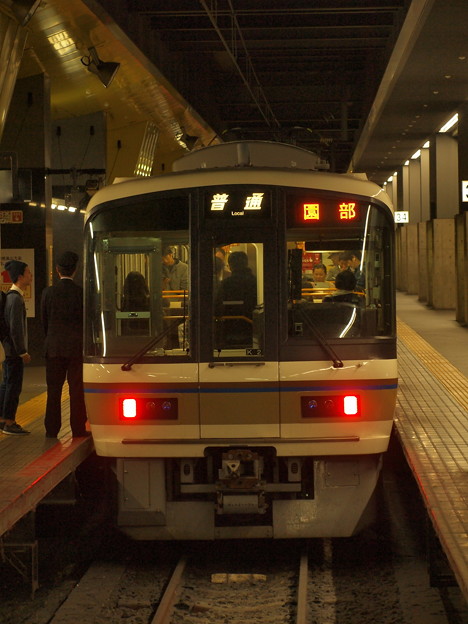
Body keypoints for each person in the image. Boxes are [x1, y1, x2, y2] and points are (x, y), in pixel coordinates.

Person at [41, 251, 89, 439]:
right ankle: (78, 428)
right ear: (75, 270)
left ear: (57, 270)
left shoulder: (48, 293)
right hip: (76, 349)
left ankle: (51, 429)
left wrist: (51, 338)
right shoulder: (80, 293)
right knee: (76, 390)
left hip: (53, 348)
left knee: (53, 390)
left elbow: (44, 322)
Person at [0, 260, 32, 435]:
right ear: (20, 276)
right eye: (28, 273)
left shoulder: (10, 297)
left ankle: (3, 419)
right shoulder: (15, 298)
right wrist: (22, 352)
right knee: (13, 386)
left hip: (9, 350)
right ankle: (9, 422)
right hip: (14, 352)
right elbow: (16, 328)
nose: (30, 276)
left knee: (7, 384)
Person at [215, 251, 257, 347]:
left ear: (230, 266)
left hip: (229, 326)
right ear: (246, 264)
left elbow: (218, 306)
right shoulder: (256, 281)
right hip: (251, 325)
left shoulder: (226, 283)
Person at [121, 271, 150, 335]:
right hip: (148, 334)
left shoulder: (123, 302)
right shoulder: (149, 300)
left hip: (126, 337)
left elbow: (131, 315)